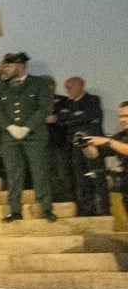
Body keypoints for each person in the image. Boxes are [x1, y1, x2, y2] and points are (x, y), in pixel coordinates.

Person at [0, 51, 56, 223]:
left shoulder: (39, 83)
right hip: (10, 138)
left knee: (39, 172)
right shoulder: (2, 86)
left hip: (34, 136)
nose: (6, 69)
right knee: (14, 174)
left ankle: (46, 208)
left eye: (9, 65)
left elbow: (44, 108)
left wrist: (27, 127)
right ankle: (15, 210)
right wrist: (10, 127)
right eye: (6, 65)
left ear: (22, 66)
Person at [52, 77, 107, 216]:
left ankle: (101, 209)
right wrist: (76, 117)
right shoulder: (67, 103)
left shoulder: (93, 100)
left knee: (95, 176)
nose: (68, 91)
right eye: (66, 88)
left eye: (70, 87)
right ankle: (84, 208)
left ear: (80, 86)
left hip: (90, 144)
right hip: (73, 147)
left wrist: (69, 119)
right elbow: (59, 121)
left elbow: (91, 116)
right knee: (78, 177)